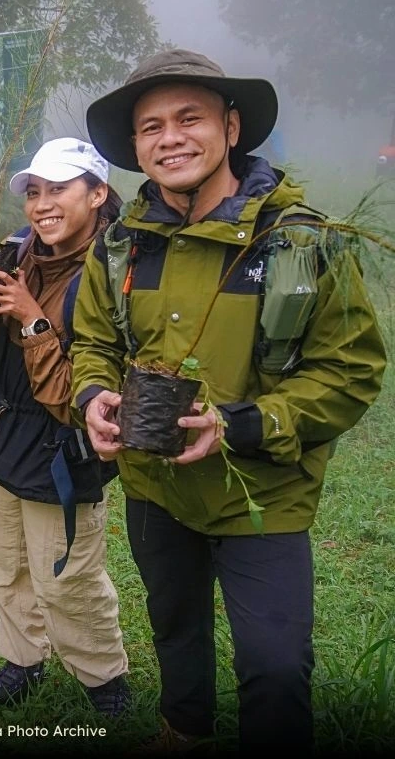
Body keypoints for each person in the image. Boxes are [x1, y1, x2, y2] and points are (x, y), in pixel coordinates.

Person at [73, 49, 387, 750]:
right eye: (151, 126)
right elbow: (93, 343)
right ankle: (182, 731)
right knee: (176, 632)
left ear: (233, 126)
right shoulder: (121, 246)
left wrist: (243, 424)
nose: (170, 138)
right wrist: (92, 394)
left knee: (275, 670)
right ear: (135, 146)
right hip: (154, 487)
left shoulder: (299, 242)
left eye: (190, 118)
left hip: (262, 495)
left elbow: (351, 370)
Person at [0, 137, 131, 717]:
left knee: (66, 578)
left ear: (98, 194)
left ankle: (104, 680)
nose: (42, 204)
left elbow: (76, 396)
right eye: (35, 191)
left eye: (60, 189)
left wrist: (30, 317)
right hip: (1, 436)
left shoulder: (118, 275)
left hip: (62, 453)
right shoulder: (24, 252)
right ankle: (23, 657)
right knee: (4, 564)